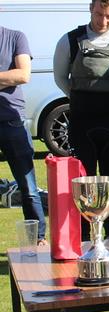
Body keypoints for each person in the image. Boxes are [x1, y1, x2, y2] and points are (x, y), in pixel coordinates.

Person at [53, 0, 109, 239]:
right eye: (98, 14)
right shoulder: (71, 40)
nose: (103, 21)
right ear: (90, 9)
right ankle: (84, 239)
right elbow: (61, 77)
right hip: (82, 121)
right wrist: (79, 97)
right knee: (82, 183)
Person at [0, 26, 46, 244]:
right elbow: (13, 75)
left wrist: (13, 76)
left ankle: (38, 238)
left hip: (12, 121)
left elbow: (23, 74)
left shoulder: (15, 37)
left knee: (28, 187)